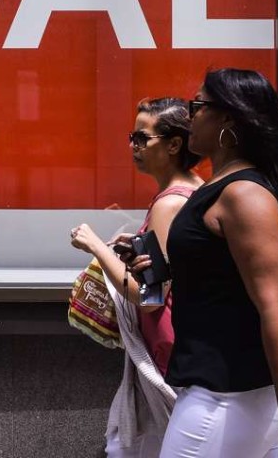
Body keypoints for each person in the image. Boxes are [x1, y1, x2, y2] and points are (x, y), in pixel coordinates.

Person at [159, 68, 278, 458]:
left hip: (235, 390)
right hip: (224, 383)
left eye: (197, 106)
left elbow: (276, 305)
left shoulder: (244, 193)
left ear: (229, 117)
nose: (188, 116)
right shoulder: (220, 185)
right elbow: (215, 270)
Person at [70, 97, 204, 458]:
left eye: (142, 138)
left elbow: (147, 295)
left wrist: (96, 245)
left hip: (169, 352)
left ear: (174, 144)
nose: (133, 146)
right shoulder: (193, 190)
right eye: (133, 136)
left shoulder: (170, 203)